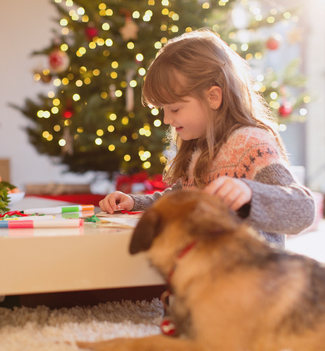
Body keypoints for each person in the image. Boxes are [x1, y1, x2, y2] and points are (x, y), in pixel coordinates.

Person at [99, 29, 315, 248]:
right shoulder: (199, 147)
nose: (166, 119)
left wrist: (250, 195)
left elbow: (303, 210)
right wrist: (135, 202)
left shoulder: (250, 144)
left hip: (252, 276)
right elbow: (179, 200)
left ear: (213, 97)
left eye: (174, 108)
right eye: (163, 109)